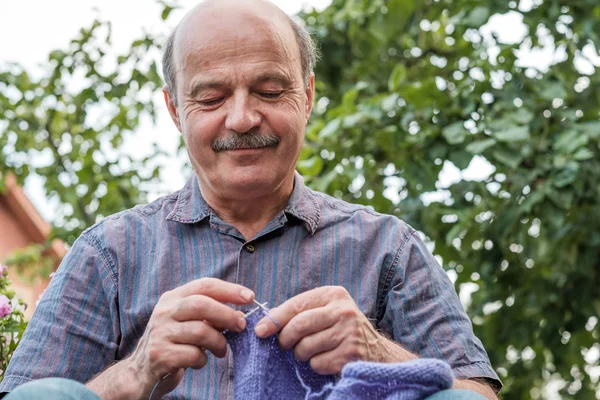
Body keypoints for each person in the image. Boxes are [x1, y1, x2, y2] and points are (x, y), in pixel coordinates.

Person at [0, 0, 502, 399]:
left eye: (268, 90)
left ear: (306, 96)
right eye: (212, 97)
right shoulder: (108, 253)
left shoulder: (388, 248)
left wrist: (379, 353)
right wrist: (134, 372)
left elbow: (474, 396)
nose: (241, 118)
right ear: (175, 109)